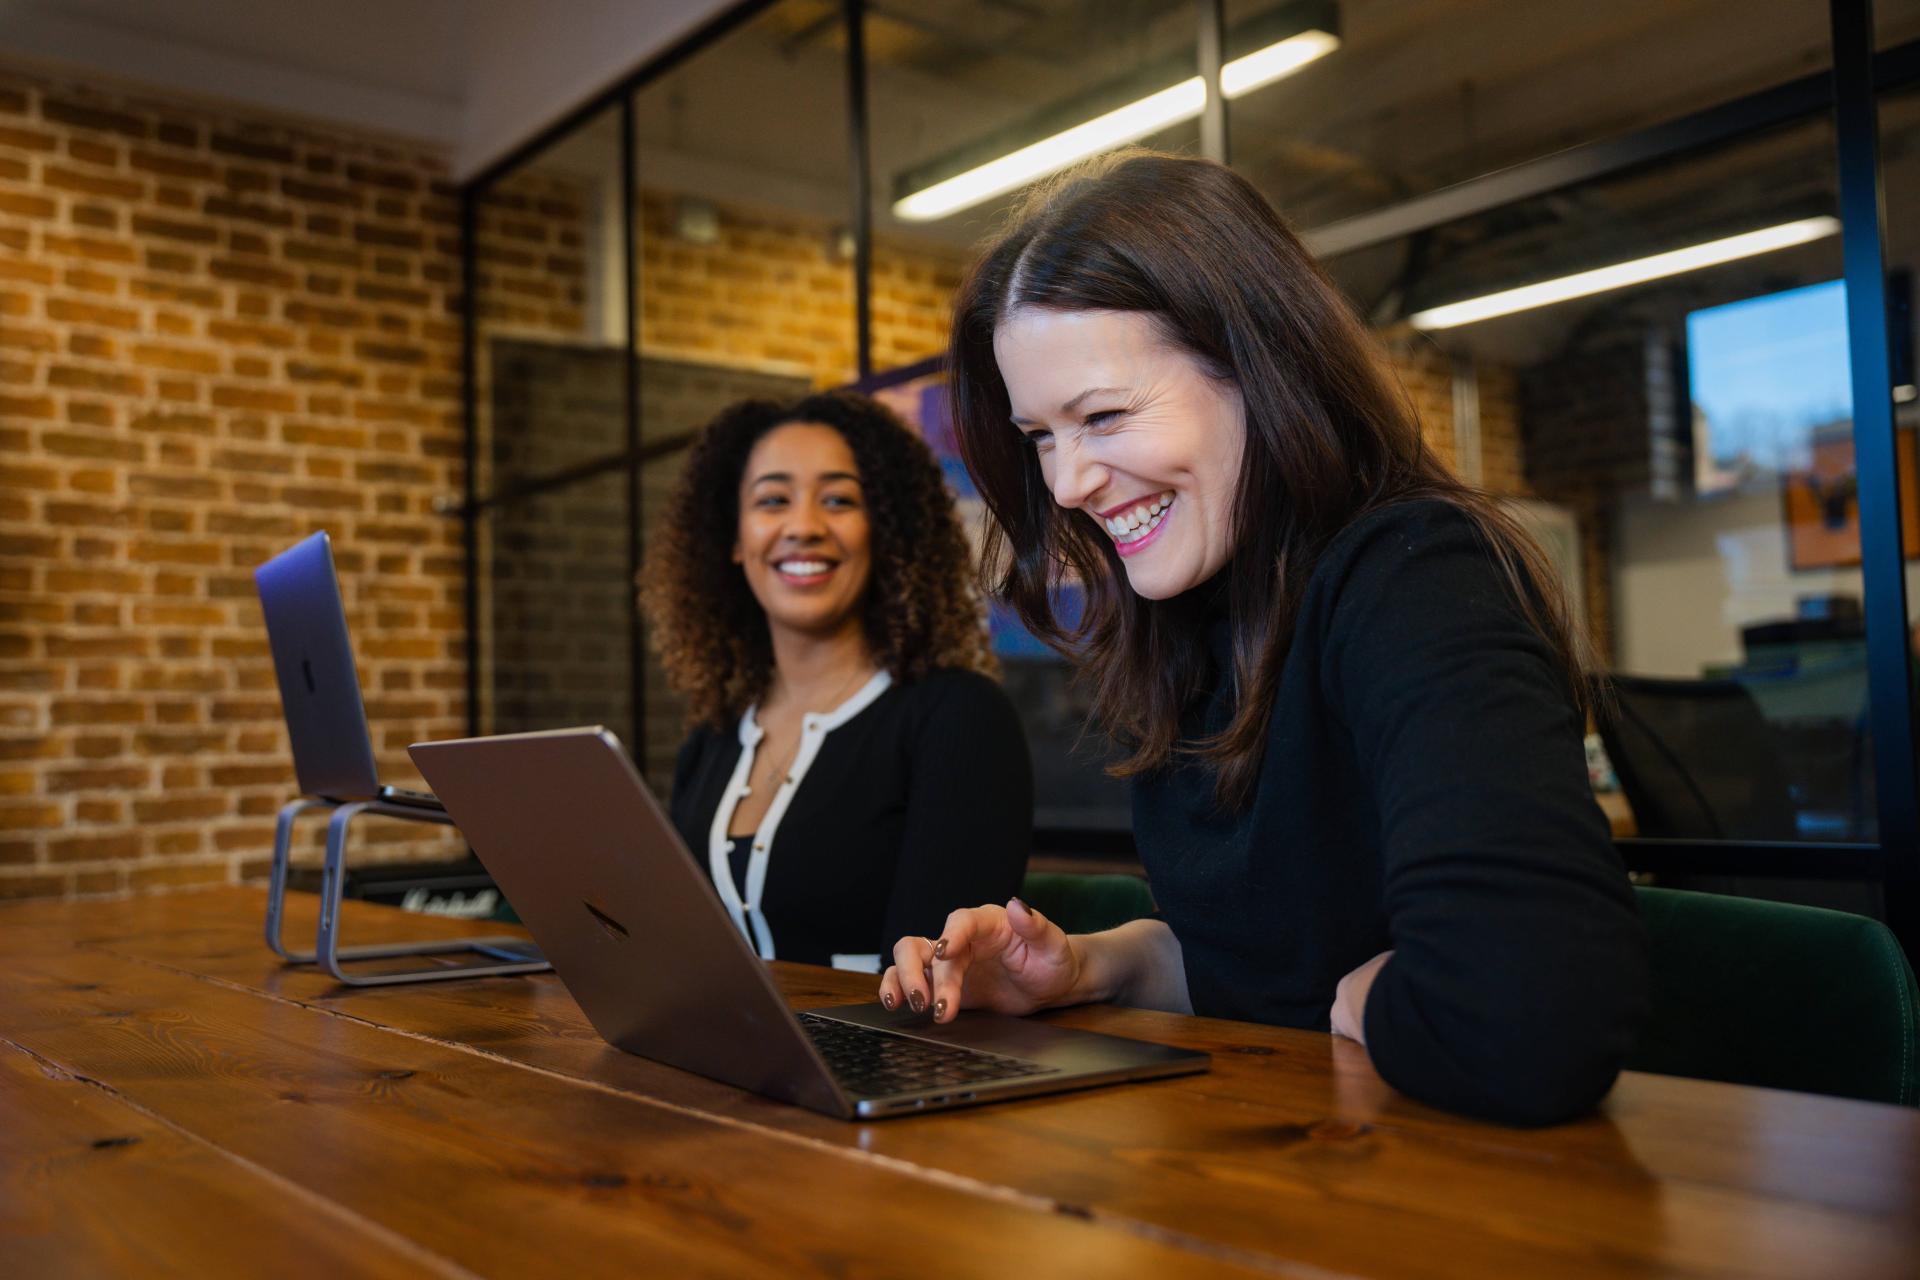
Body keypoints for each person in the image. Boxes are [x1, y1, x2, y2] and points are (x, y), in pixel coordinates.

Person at [877, 151, 1650, 1127]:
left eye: (1104, 415)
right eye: (1041, 435)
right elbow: (1261, 960)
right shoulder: (1197, 620)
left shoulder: (1415, 574)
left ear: (1259, 365)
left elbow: (1530, 1014)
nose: (1067, 482)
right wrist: (1083, 966)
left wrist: (1368, 999)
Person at [641, 391, 1032, 972]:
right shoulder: (713, 739)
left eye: (838, 499)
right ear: (733, 537)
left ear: (885, 530)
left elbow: (930, 983)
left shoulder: (958, 719)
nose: (804, 526)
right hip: (720, 1058)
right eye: (773, 500)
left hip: (885, 1057)